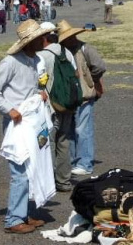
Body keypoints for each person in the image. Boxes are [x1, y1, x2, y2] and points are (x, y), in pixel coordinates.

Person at [0, 20, 52, 234]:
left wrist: (41, 94)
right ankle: (13, 219)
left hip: (33, 121)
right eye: (41, 38)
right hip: (17, 122)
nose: (45, 40)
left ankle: (25, 212)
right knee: (20, 170)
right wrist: (8, 109)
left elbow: (35, 85)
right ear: (31, 41)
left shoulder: (36, 60)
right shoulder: (11, 62)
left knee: (34, 167)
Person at [57, 20, 106, 176]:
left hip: (84, 96)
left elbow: (100, 66)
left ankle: (85, 163)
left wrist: (90, 80)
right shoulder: (63, 50)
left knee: (82, 130)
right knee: (70, 130)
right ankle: (74, 161)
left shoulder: (85, 49)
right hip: (70, 97)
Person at [36, 23, 78, 192]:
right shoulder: (66, 52)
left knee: (42, 143)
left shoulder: (42, 55)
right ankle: (63, 181)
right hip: (67, 103)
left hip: (49, 106)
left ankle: (42, 182)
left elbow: (38, 80)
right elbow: (75, 73)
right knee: (63, 141)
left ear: (43, 37)